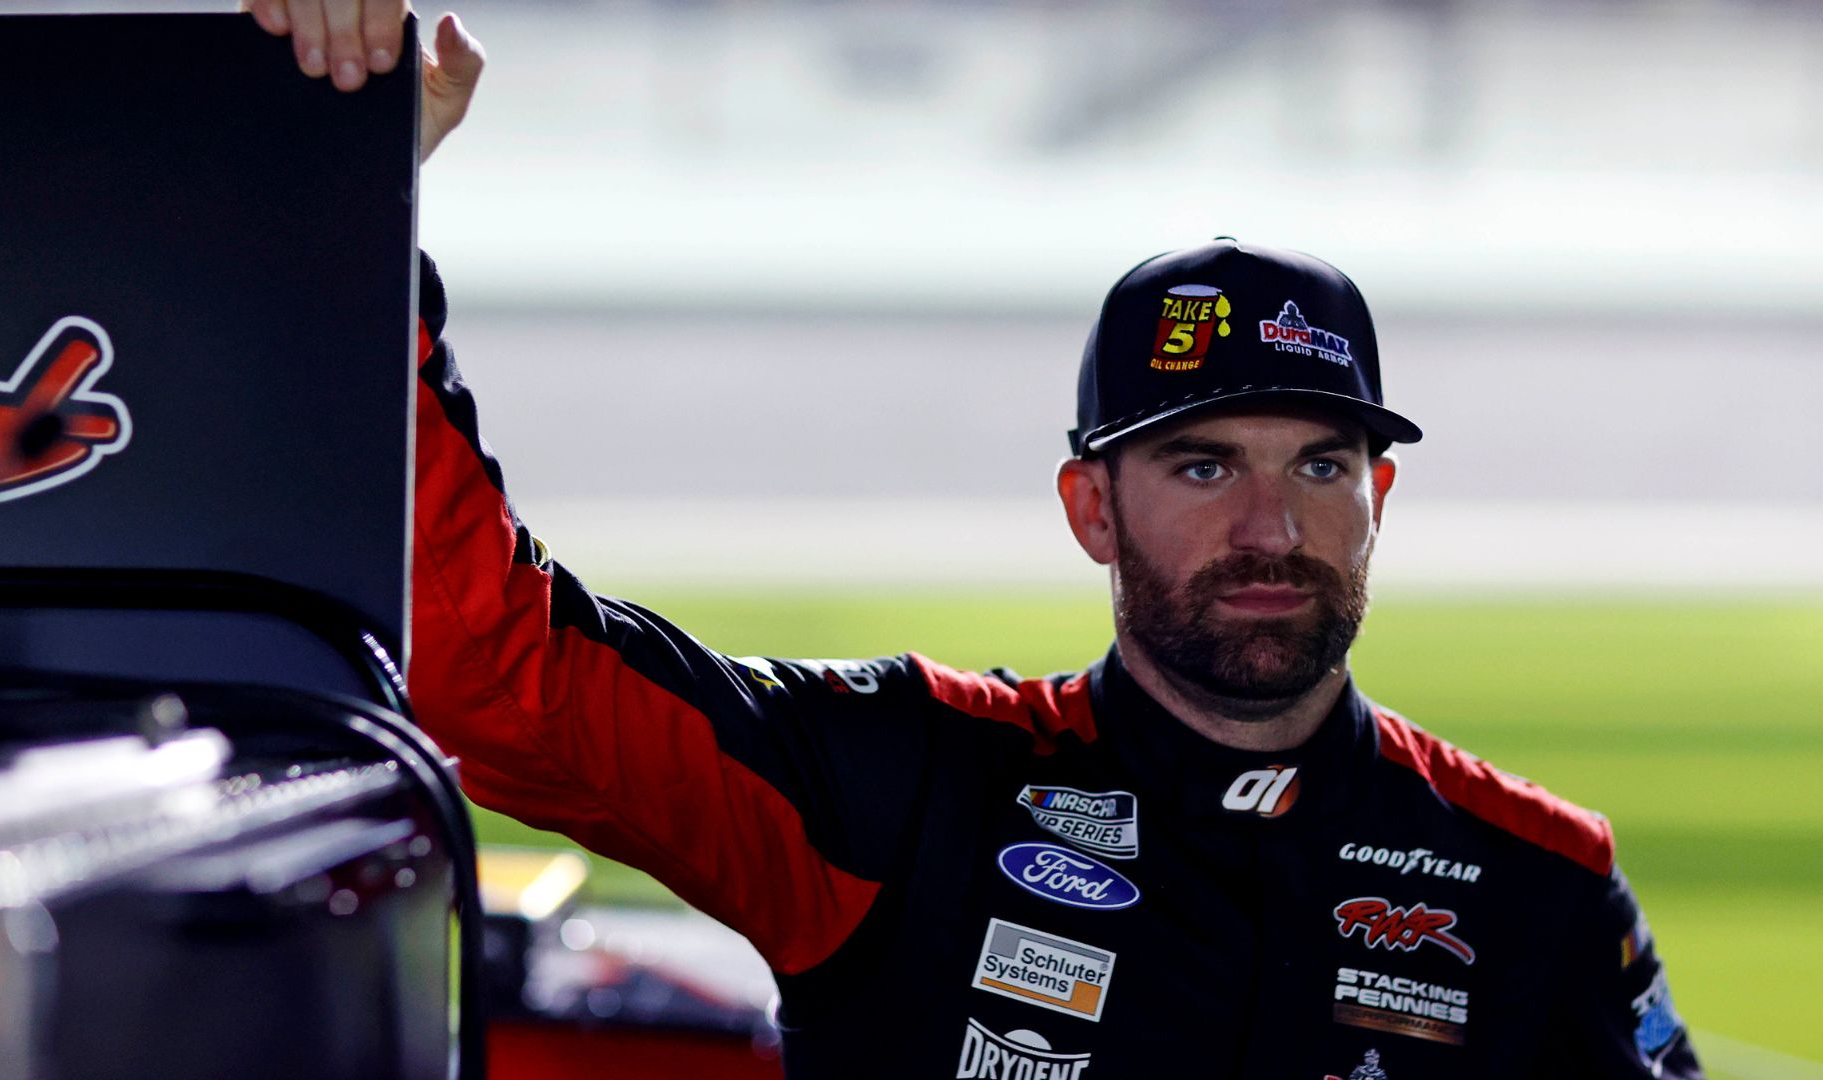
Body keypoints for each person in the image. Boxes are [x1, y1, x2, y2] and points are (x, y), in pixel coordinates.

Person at [245, 3, 1703, 1075]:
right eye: (1201, 465)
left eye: (1322, 464)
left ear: (1378, 503)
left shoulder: (1537, 882)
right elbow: (504, 683)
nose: (1274, 525)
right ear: (1089, 510)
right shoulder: (907, 785)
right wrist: (358, 215)